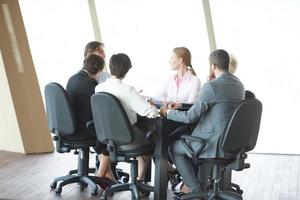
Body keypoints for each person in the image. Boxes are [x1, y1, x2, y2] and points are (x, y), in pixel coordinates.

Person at [160, 49, 245, 194]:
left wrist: (168, 112)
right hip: (230, 141)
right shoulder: (239, 85)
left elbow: (189, 117)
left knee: (174, 148)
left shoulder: (211, 87)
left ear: (212, 66)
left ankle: (195, 189)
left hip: (212, 143)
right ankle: (201, 187)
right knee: (202, 146)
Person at [95, 53, 159, 181]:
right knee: (152, 141)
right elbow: (150, 112)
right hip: (128, 138)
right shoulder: (127, 90)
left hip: (107, 139)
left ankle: (165, 174)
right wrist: (155, 107)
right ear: (126, 70)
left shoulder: (99, 88)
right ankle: (140, 181)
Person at [66, 54, 116, 187]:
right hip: (85, 129)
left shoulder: (73, 78)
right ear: (99, 70)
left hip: (71, 127)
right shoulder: (90, 83)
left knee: (102, 133)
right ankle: (100, 177)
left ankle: (109, 178)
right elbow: (102, 103)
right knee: (110, 139)